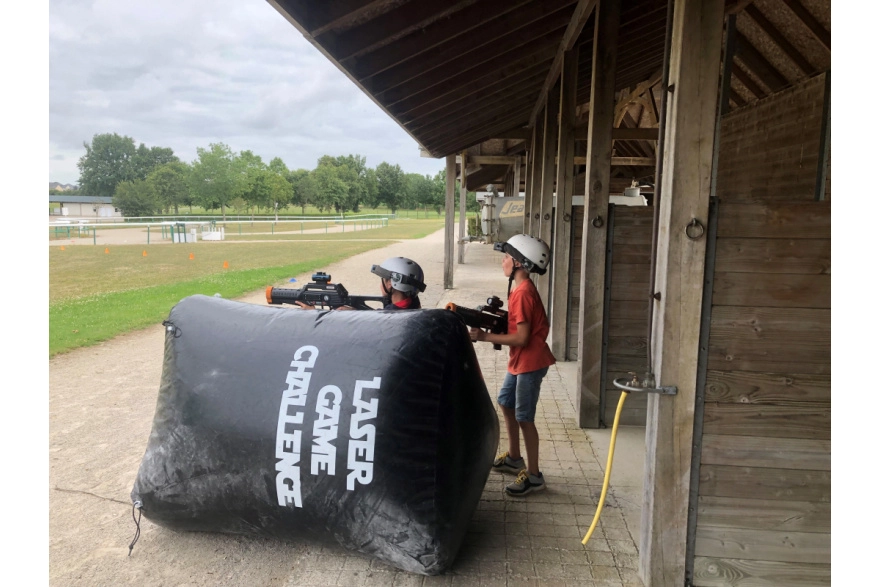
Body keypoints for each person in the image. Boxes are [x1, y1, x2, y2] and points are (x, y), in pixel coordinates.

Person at [469, 234, 556, 496]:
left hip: (531, 362)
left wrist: (484, 336)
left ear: (519, 263)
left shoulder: (523, 293)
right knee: (506, 402)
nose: (503, 261)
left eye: (507, 257)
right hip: (521, 361)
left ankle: (534, 476)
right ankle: (515, 458)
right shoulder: (519, 289)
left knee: (524, 418)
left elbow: (522, 337)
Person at [295, 256, 426, 311]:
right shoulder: (413, 305)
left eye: (382, 280)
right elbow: (377, 316)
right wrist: (355, 312)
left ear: (391, 284)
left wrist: (315, 313)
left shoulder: (389, 317)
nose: (380, 285)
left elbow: (378, 320)